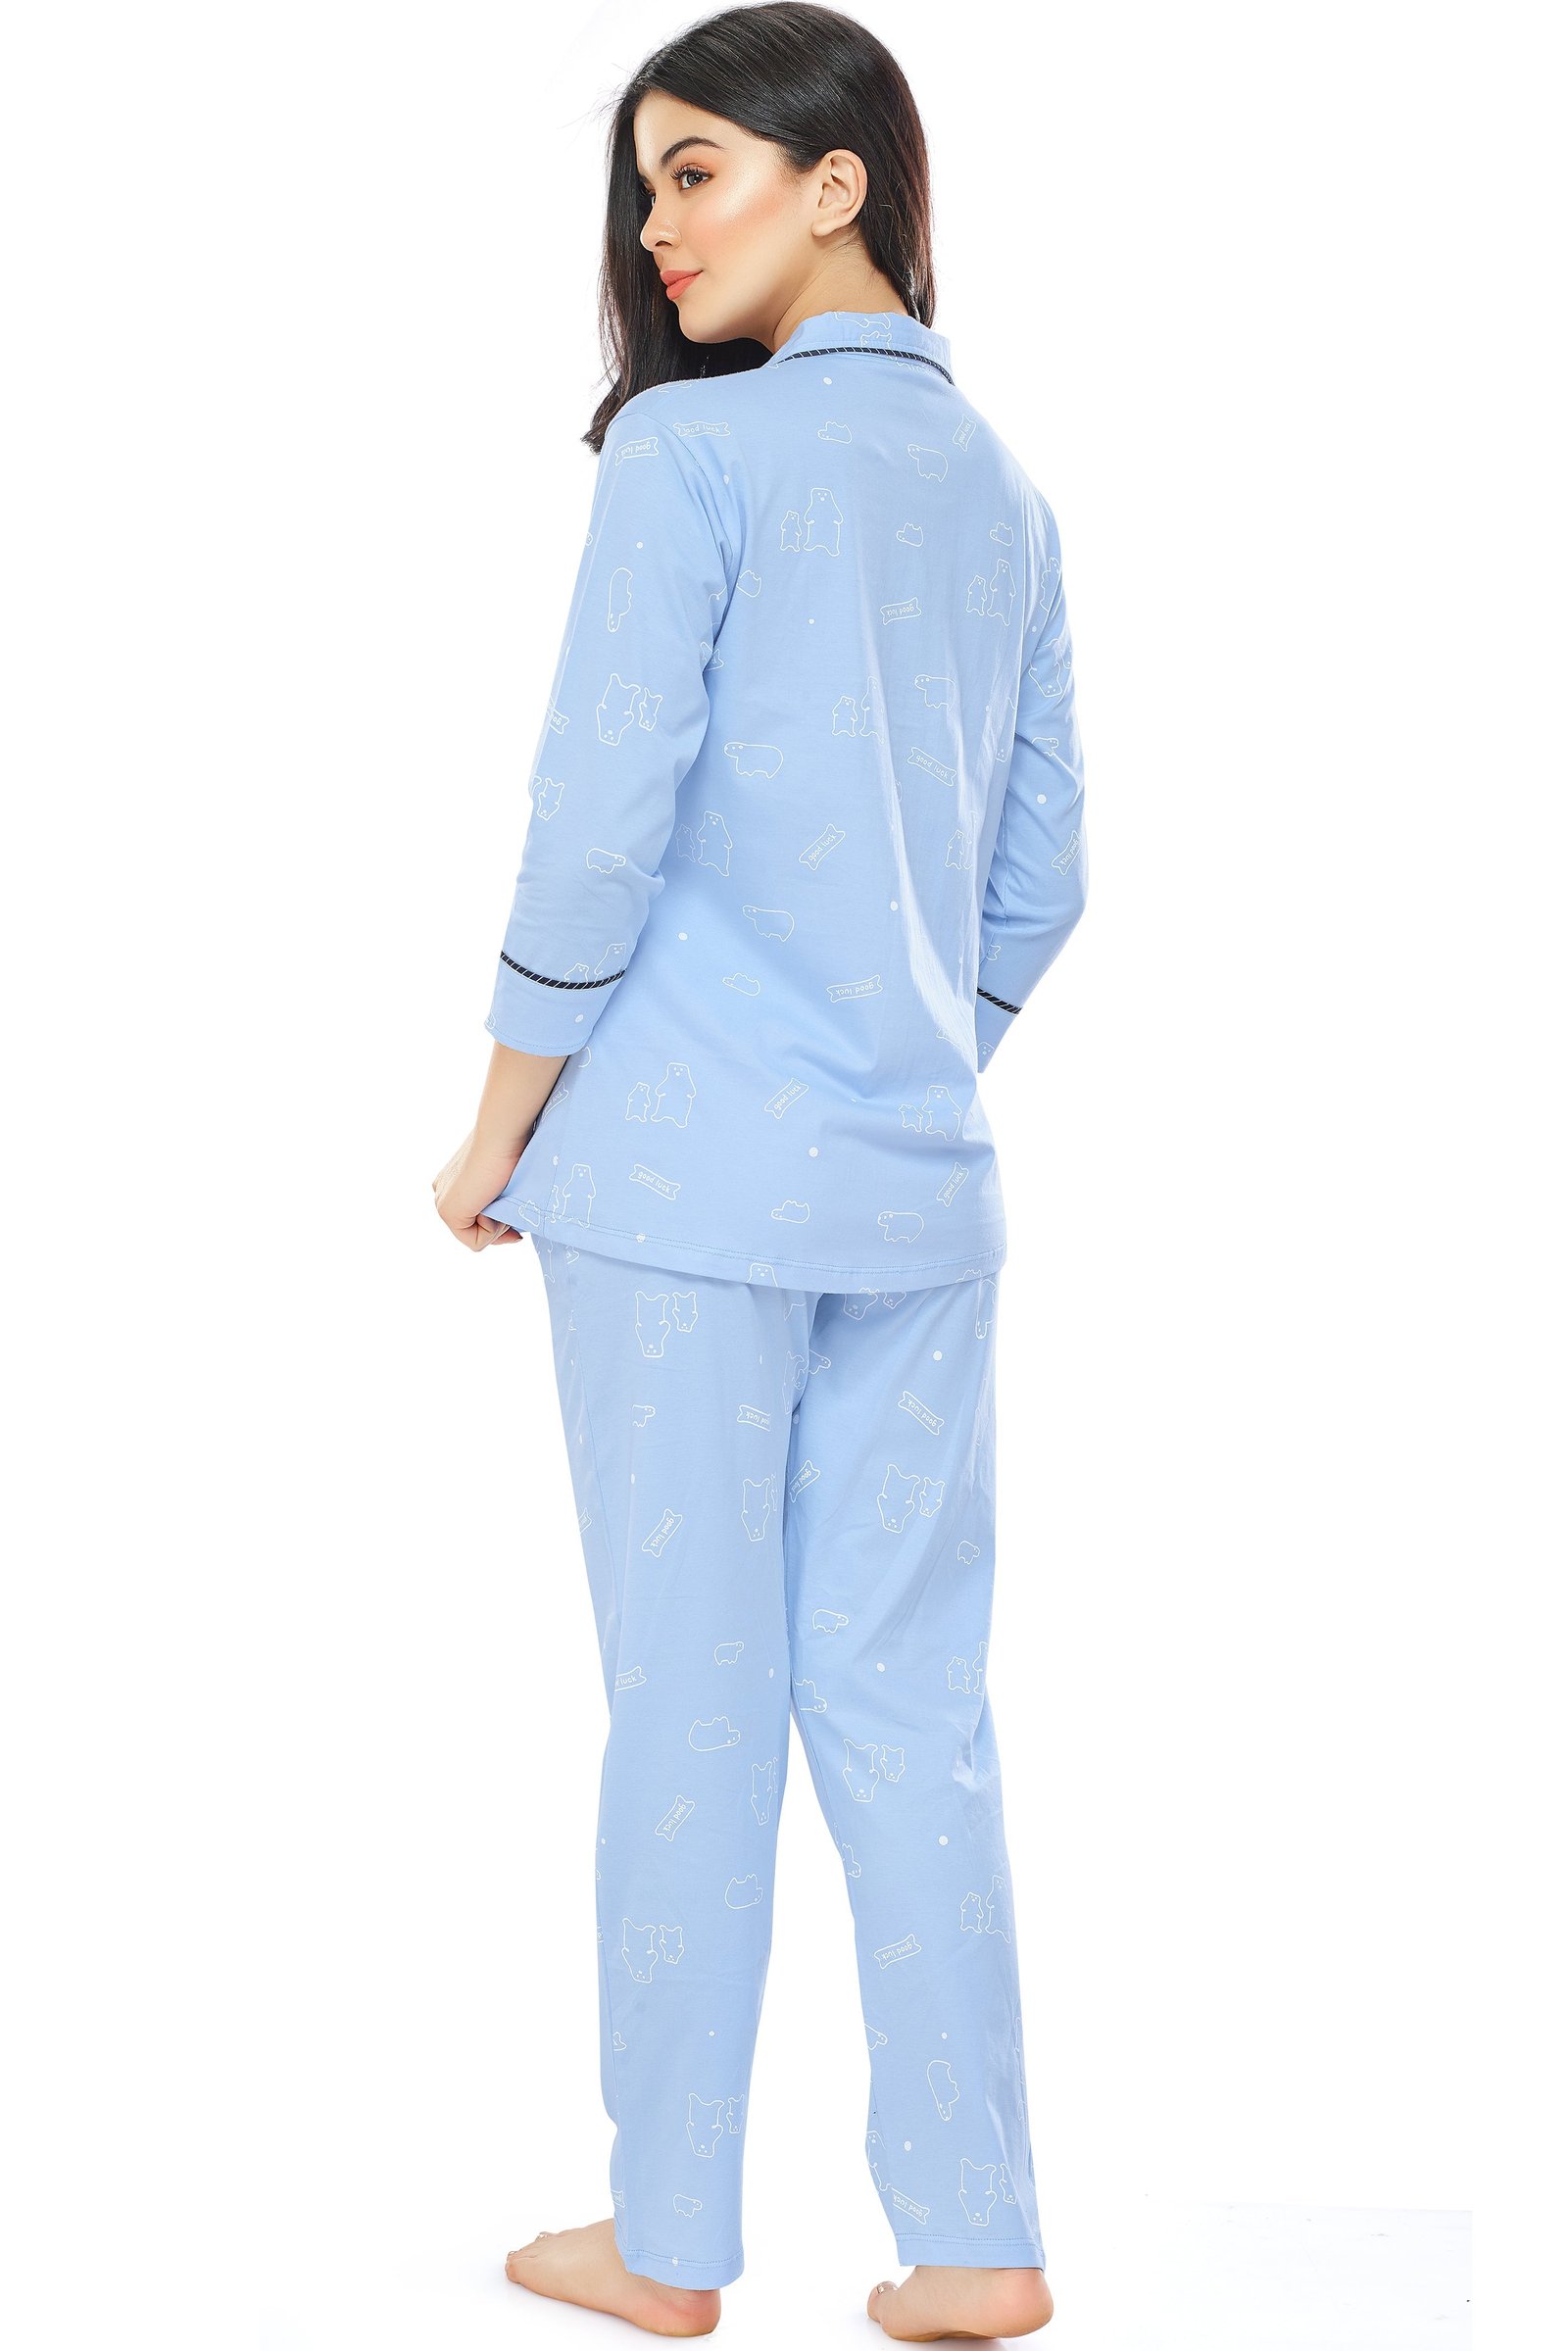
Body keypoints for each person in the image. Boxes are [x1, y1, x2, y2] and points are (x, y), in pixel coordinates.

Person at [432, 6, 1086, 2338]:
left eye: (693, 170)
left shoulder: (689, 458)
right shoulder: (1000, 493)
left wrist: (500, 1121)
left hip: (675, 1192)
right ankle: (975, 2244)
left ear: (839, 180)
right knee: (910, 1707)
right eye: (642, 187)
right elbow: (1037, 879)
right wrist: (896, 1059)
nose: (654, 226)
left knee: (693, 1709)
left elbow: (594, 815)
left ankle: (668, 2244)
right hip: (916, 1191)